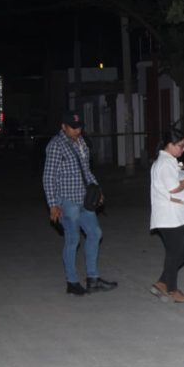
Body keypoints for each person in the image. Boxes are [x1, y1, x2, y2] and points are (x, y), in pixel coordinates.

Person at [42, 110, 118, 296]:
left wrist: (97, 190)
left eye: (79, 127)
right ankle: (72, 281)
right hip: (67, 201)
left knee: (95, 233)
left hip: (84, 200)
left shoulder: (81, 142)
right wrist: (53, 204)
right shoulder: (56, 145)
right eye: (73, 128)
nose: (77, 131)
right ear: (63, 127)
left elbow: (86, 171)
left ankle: (92, 279)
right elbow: (48, 177)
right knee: (72, 240)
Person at [148, 128, 184, 303]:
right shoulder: (165, 163)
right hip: (169, 217)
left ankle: (162, 283)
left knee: (183, 252)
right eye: (180, 146)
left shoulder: (168, 161)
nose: (183, 149)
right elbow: (174, 188)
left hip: (174, 216)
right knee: (175, 253)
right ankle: (172, 290)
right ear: (170, 145)